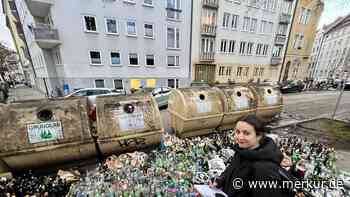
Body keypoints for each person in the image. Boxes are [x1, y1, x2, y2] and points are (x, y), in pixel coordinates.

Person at [210, 115, 293, 197]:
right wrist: (220, 180)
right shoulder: (242, 151)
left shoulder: (264, 168)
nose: (240, 137)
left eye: (246, 133)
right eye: (237, 132)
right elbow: (232, 171)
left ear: (259, 136)